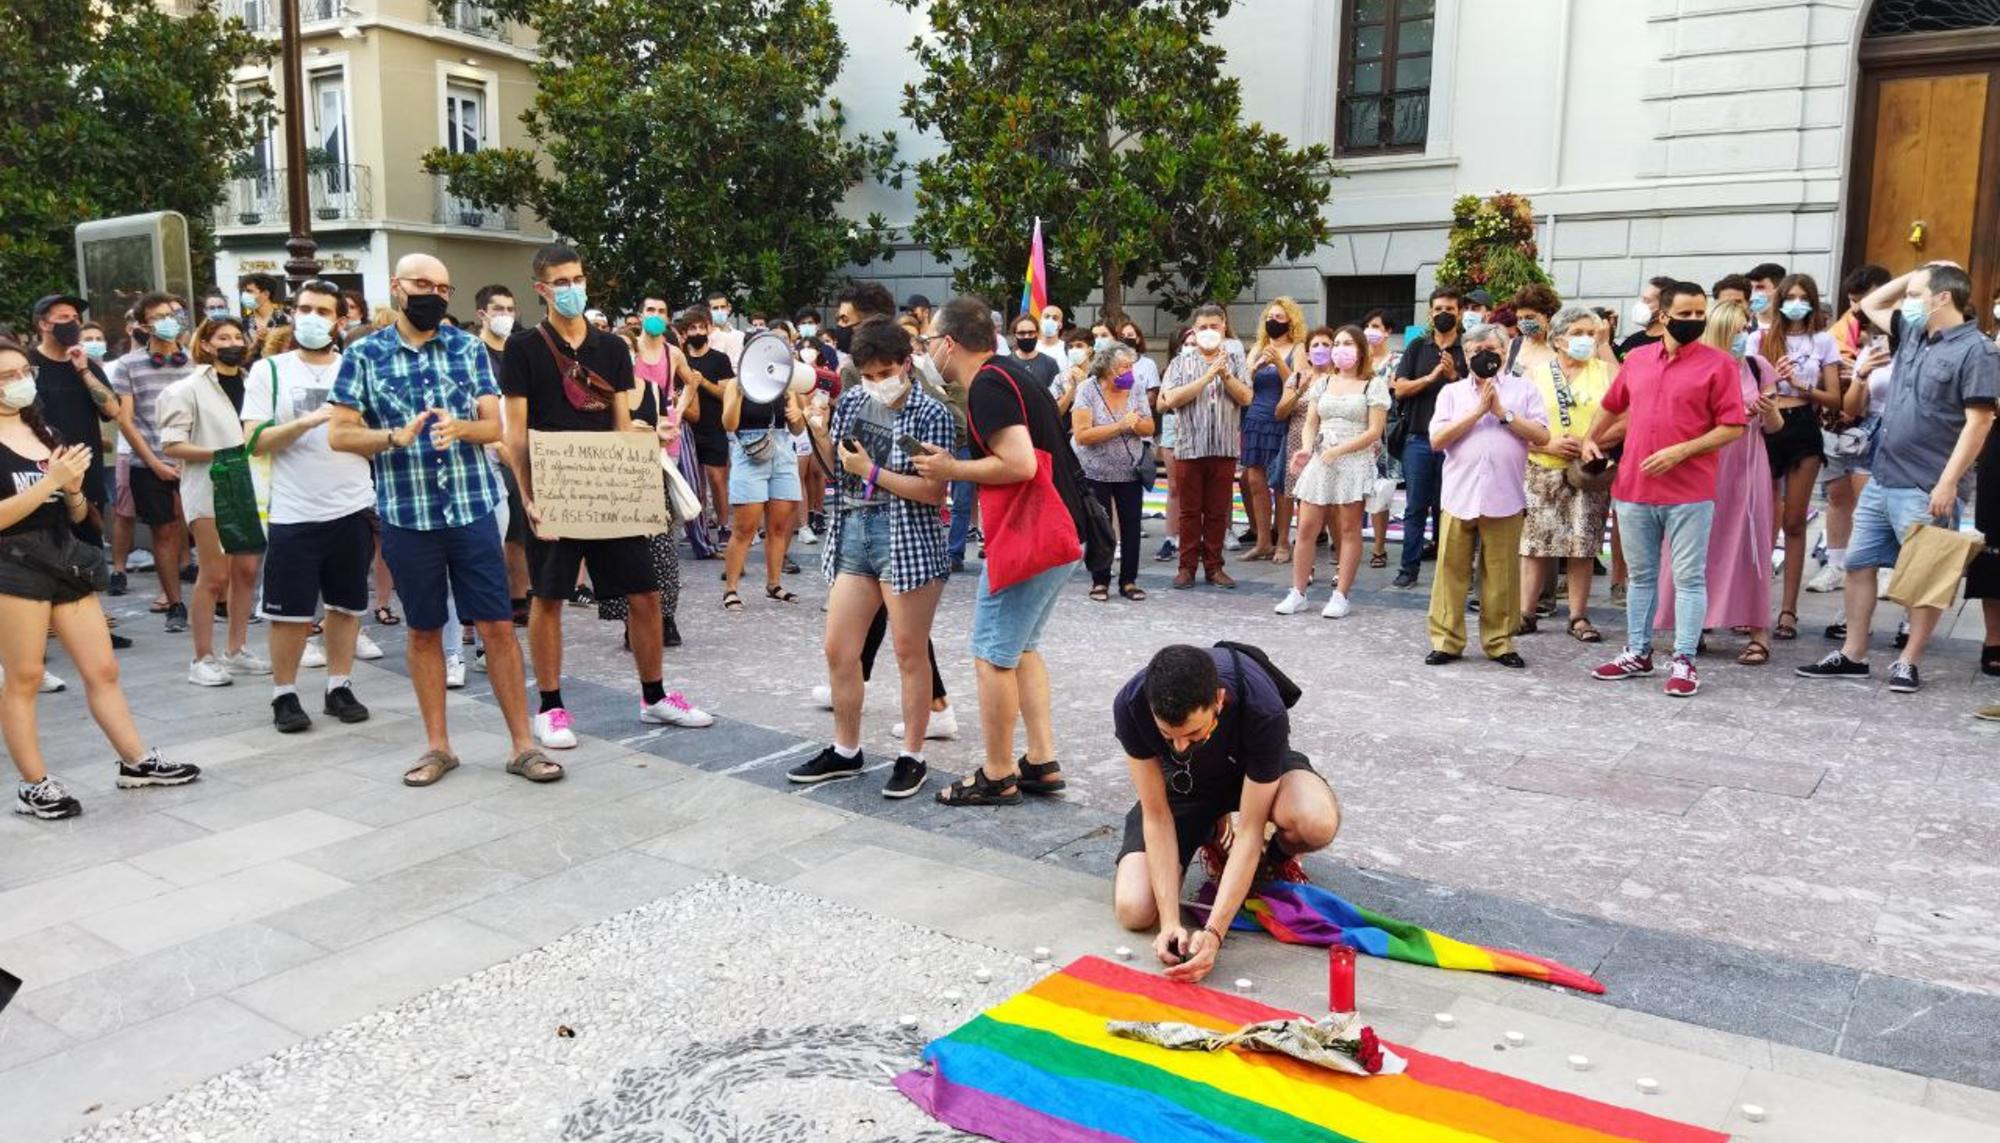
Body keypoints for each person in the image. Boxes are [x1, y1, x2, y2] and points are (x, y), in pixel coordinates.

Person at [328, 253, 556, 787]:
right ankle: (438, 746)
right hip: (408, 514)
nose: (432, 293)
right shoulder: (363, 355)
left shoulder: (467, 347)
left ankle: (523, 744)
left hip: (472, 507)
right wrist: (392, 436)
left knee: (498, 627)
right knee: (424, 629)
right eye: (422, 283)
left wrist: (462, 428)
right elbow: (340, 433)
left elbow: (493, 423)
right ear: (397, 286)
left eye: (443, 287)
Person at [503, 245, 710, 743]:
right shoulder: (524, 348)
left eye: (578, 277)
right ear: (542, 289)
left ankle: (654, 696)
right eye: (562, 281)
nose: (573, 288)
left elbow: (622, 425)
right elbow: (514, 432)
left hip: (611, 486)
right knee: (548, 597)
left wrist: (649, 433)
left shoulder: (614, 349)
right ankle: (550, 707)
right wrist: (528, 495)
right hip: (555, 489)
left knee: (645, 593)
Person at [0, 338, 198, 819]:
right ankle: (33, 785)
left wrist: (69, 491)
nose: (20, 381)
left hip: (64, 556)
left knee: (103, 668)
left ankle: (136, 761)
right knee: (25, 677)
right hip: (13, 564)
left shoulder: (41, 428)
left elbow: (76, 513)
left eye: (23, 371)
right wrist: (51, 481)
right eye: (6, 376)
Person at [915, 295, 1086, 807]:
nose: (926, 352)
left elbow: (1019, 464)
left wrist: (952, 470)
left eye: (927, 343)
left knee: (992, 655)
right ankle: (1040, 760)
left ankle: (998, 771)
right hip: (1062, 529)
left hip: (1034, 533)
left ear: (948, 343)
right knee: (1023, 648)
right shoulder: (1010, 372)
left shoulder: (987, 384)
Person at [1798, 262, 1997, 693]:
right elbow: (1869, 304)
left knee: (1925, 575)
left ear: (1942, 298)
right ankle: (1853, 654)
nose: (1908, 301)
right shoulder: (1913, 334)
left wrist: (1948, 482)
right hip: (1883, 474)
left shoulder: (1977, 350)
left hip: (1927, 485)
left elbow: (1978, 422)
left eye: (1916, 293)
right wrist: (1919, 272)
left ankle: (1909, 661)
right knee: (1859, 564)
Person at [787, 318, 956, 796]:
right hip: (854, 531)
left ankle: (913, 754)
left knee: (909, 649)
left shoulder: (931, 412)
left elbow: (933, 491)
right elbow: (838, 467)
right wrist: (816, 428)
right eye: (868, 374)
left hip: (909, 536)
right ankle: (846, 750)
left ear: (906, 364)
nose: (877, 382)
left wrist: (872, 470)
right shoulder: (856, 402)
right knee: (839, 649)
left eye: (886, 372)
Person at [1110, 643, 1342, 985]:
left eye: (1192, 733)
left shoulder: (1262, 706)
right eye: (1167, 736)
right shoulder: (1131, 703)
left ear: (1219, 700)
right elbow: (1157, 816)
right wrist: (1171, 923)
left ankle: (1272, 857)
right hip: (1185, 787)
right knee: (1136, 909)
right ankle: (1207, 832)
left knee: (1315, 822)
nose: (1180, 747)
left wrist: (1214, 933)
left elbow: (1249, 830)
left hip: (1251, 775)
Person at [1587, 281, 1747, 697]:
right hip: (1634, 486)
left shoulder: (1719, 365)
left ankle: (1685, 659)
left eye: (1700, 313)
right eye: (1687, 313)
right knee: (1641, 577)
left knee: (1689, 579)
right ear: (1664, 315)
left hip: (1690, 491)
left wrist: (1681, 452)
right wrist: (1591, 438)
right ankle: (1638, 652)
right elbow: (1611, 403)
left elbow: (1732, 426)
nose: (1695, 320)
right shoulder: (1638, 358)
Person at [240, 280, 376, 732]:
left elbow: (376, 434)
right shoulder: (270, 371)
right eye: (304, 308)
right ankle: (285, 694)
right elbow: (254, 441)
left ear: (340, 321)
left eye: (322, 310)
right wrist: (307, 421)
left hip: (352, 505)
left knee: (347, 605)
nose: (311, 318)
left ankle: (340, 685)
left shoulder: (358, 368)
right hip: (294, 511)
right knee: (289, 613)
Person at [1654, 300, 1778, 665]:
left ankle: (1758, 632)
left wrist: (1769, 413)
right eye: (1738, 329)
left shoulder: (1758, 367)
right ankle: (1695, 627)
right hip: (1706, 465)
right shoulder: (1702, 366)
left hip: (1748, 466)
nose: (1745, 336)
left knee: (1750, 543)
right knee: (1696, 545)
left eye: (1747, 328)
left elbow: (1775, 428)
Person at [1421, 324, 1550, 668]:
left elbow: (1542, 436)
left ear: (1505, 352)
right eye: (1476, 350)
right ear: (1465, 355)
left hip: (1504, 495)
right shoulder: (1451, 393)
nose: (1484, 356)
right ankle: (1446, 640)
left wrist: (1502, 414)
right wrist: (1477, 412)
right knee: (1450, 570)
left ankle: (1500, 641)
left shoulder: (1524, 390)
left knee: (1502, 573)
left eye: (1491, 349)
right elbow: (1437, 439)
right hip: (1458, 496)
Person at [159, 317, 267, 685]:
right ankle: (201, 657)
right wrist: (221, 454)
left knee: (247, 571)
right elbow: (172, 444)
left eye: (238, 336)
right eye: (223, 337)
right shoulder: (186, 389)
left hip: (255, 486)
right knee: (215, 574)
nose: (233, 342)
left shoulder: (256, 383)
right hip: (209, 486)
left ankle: (236, 649)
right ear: (206, 344)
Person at [1517, 306, 1616, 643]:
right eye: (1578, 333)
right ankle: (1526, 612)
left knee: (1583, 544)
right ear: (1558, 339)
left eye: (1591, 333)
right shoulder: (1536, 373)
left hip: (1589, 471)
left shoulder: (1606, 372)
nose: (1586, 339)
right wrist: (1547, 445)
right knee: (1534, 543)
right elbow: (1517, 421)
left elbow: (1627, 416)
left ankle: (1578, 616)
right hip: (1543, 466)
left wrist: (1593, 441)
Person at [1278, 325, 1387, 618]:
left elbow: (1375, 430)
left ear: (1361, 349)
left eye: (1347, 343)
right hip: (1322, 458)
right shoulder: (1323, 383)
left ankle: (1341, 595)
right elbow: (1312, 420)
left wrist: (1340, 450)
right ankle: (1297, 592)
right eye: (1336, 343)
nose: (1340, 348)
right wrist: (1306, 447)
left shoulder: (1372, 385)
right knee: (1306, 528)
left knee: (1349, 529)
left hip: (1353, 460)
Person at [1759, 273, 1842, 641]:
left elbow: (1835, 397)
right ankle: (1755, 604)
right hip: (1769, 423)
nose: (1795, 302)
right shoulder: (1761, 337)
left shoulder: (1822, 341)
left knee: (1794, 520)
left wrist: (1805, 386)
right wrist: (1773, 379)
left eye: (1802, 296)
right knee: (1762, 521)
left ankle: (1788, 609)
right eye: (1789, 296)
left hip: (1804, 425)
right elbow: (1749, 388)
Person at [109, 293, 197, 633]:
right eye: (159, 315)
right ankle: (175, 603)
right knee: (163, 531)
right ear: (145, 324)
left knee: (198, 528)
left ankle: (220, 598)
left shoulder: (193, 360)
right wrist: (154, 462)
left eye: (172, 313)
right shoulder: (129, 365)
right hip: (149, 463)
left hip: (194, 458)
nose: (168, 320)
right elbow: (126, 420)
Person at [1157, 304, 1251, 589]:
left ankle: (1214, 567)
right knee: (1189, 510)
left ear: (1224, 327)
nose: (1209, 332)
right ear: (1194, 332)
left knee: (1217, 512)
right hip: (1189, 447)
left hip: (1223, 447)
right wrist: (1206, 377)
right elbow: (1170, 399)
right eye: (1203, 328)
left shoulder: (1235, 360)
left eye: (1214, 326)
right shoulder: (1180, 363)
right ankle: (1186, 567)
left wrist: (1224, 375)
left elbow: (1246, 397)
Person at [717, 308, 805, 612]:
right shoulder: (734, 383)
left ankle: (774, 583)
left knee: (780, 524)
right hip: (749, 450)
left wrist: (798, 415)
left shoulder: (786, 384)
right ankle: (731, 588)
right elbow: (729, 424)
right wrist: (740, 393)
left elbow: (796, 428)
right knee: (745, 527)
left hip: (780, 450)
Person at [28, 295, 121, 551]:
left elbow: (113, 409)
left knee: (87, 553)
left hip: (86, 476)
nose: (73, 323)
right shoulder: (26, 365)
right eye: (64, 318)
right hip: (38, 475)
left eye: (76, 319)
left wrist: (83, 369)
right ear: (44, 324)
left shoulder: (86, 365)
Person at [1391, 288, 1468, 588]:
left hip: (1454, 442)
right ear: (1430, 312)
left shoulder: (1467, 349)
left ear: (1459, 312)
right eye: (1437, 309)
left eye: (1449, 308)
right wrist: (1431, 377)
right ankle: (1408, 569)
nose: (1442, 314)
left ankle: (1449, 570)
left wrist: (1454, 379)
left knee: (1449, 508)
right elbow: (1400, 388)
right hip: (1418, 438)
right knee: (1415, 506)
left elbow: (1477, 396)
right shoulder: (1417, 348)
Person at [1071, 340, 1155, 602]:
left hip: (1130, 470)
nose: (1129, 371)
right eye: (1123, 367)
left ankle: (1129, 581)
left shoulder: (1137, 387)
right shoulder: (1087, 389)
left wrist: (1136, 424)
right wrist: (1121, 425)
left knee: (1131, 525)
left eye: (1131, 365)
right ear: (1107, 368)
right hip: (1095, 470)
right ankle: (1100, 579)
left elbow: (1150, 427)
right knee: (1100, 526)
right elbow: (1082, 434)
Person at [1239, 298, 1307, 561]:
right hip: (1255, 418)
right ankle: (1262, 541)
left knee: (1281, 483)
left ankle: (1282, 543)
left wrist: (1279, 362)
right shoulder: (1258, 346)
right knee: (1255, 481)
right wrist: (1255, 367)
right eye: (1270, 317)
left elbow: (1298, 383)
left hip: (1282, 417)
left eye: (1279, 317)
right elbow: (1243, 382)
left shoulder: (1298, 348)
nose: (1273, 322)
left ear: (1291, 321)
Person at [677, 307, 736, 546]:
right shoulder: (680, 358)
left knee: (717, 478)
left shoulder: (719, 359)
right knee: (693, 482)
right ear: (685, 332)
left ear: (709, 329)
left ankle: (723, 525)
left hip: (714, 427)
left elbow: (727, 394)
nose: (698, 332)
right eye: (693, 328)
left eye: (702, 327)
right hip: (689, 429)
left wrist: (703, 383)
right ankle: (696, 527)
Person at [1506, 284, 1562, 379]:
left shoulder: (1560, 347)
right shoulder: (1512, 346)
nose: (1524, 322)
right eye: (1520, 318)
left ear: (1548, 315)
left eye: (1530, 317)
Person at [1618, 277, 1676, 360]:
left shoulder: (1668, 345)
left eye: (1647, 301)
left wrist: (1603, 344)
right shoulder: (1634, 339)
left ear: (1665, 307)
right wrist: (1609, 337)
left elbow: (1621, 372)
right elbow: (1608, 367)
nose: (1641, 305)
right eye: (1642, 299)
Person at [1008, 312, 1062, 397]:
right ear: (1015, 335)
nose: (1027, 337)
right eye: (1022, 333)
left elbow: (1055, 396)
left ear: (1037, 334)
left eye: (1031, 333)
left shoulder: (1050, 363)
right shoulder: (1006, 363)